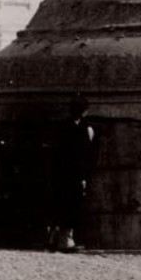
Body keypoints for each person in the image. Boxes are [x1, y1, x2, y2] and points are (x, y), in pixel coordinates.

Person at [49, 95, 95, 253]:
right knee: (72, 207)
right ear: (85, 112)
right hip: (75, 174)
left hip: (62, 172)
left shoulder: (62, 127)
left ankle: (56, 236)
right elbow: (87, 155)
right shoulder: (86, 129)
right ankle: (66, 239)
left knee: (61, 205)